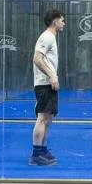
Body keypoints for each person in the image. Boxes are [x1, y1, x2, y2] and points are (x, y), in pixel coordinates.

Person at [30, 8, 64, 166]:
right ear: (55, 21)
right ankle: (36, 154)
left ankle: (42, 150)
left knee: (48, 118)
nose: (64, 23)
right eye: (62, 20)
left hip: (48, 84)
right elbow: (37, 59)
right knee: (42, 118)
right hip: (44, 84)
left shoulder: (51, 37)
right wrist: (51, 75)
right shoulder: (47, 37)